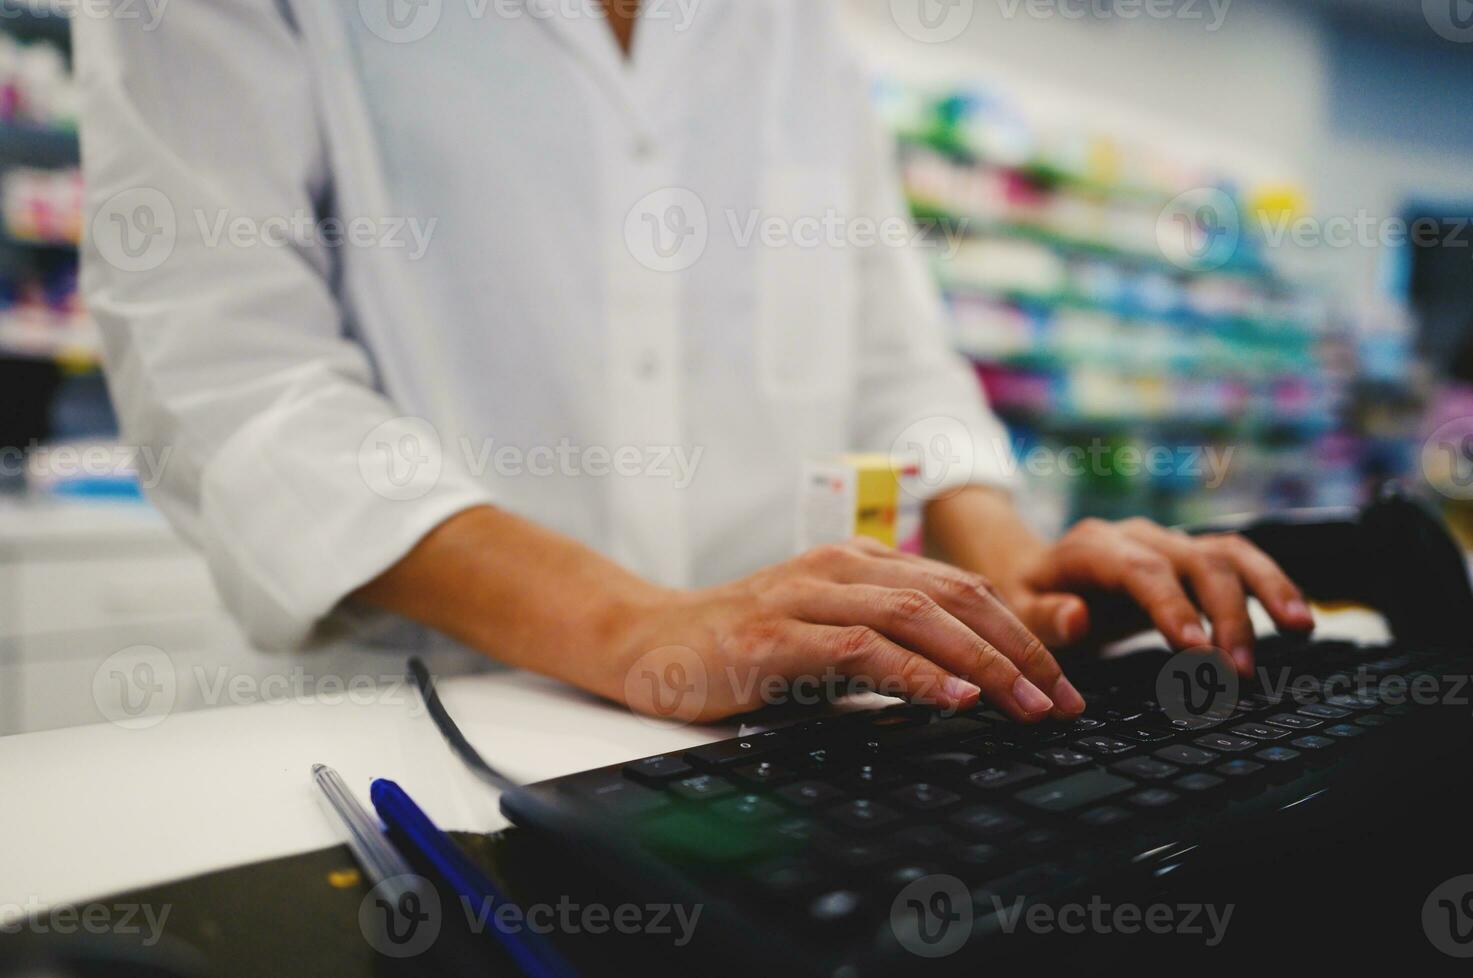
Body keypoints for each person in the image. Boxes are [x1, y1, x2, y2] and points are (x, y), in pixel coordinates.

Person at [77, 0, 1313, 724]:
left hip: (783, 739)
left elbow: (894, 357)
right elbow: (229, 374)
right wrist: (637, 626)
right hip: (418, 732)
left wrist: (1007, 562)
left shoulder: (791, 29)